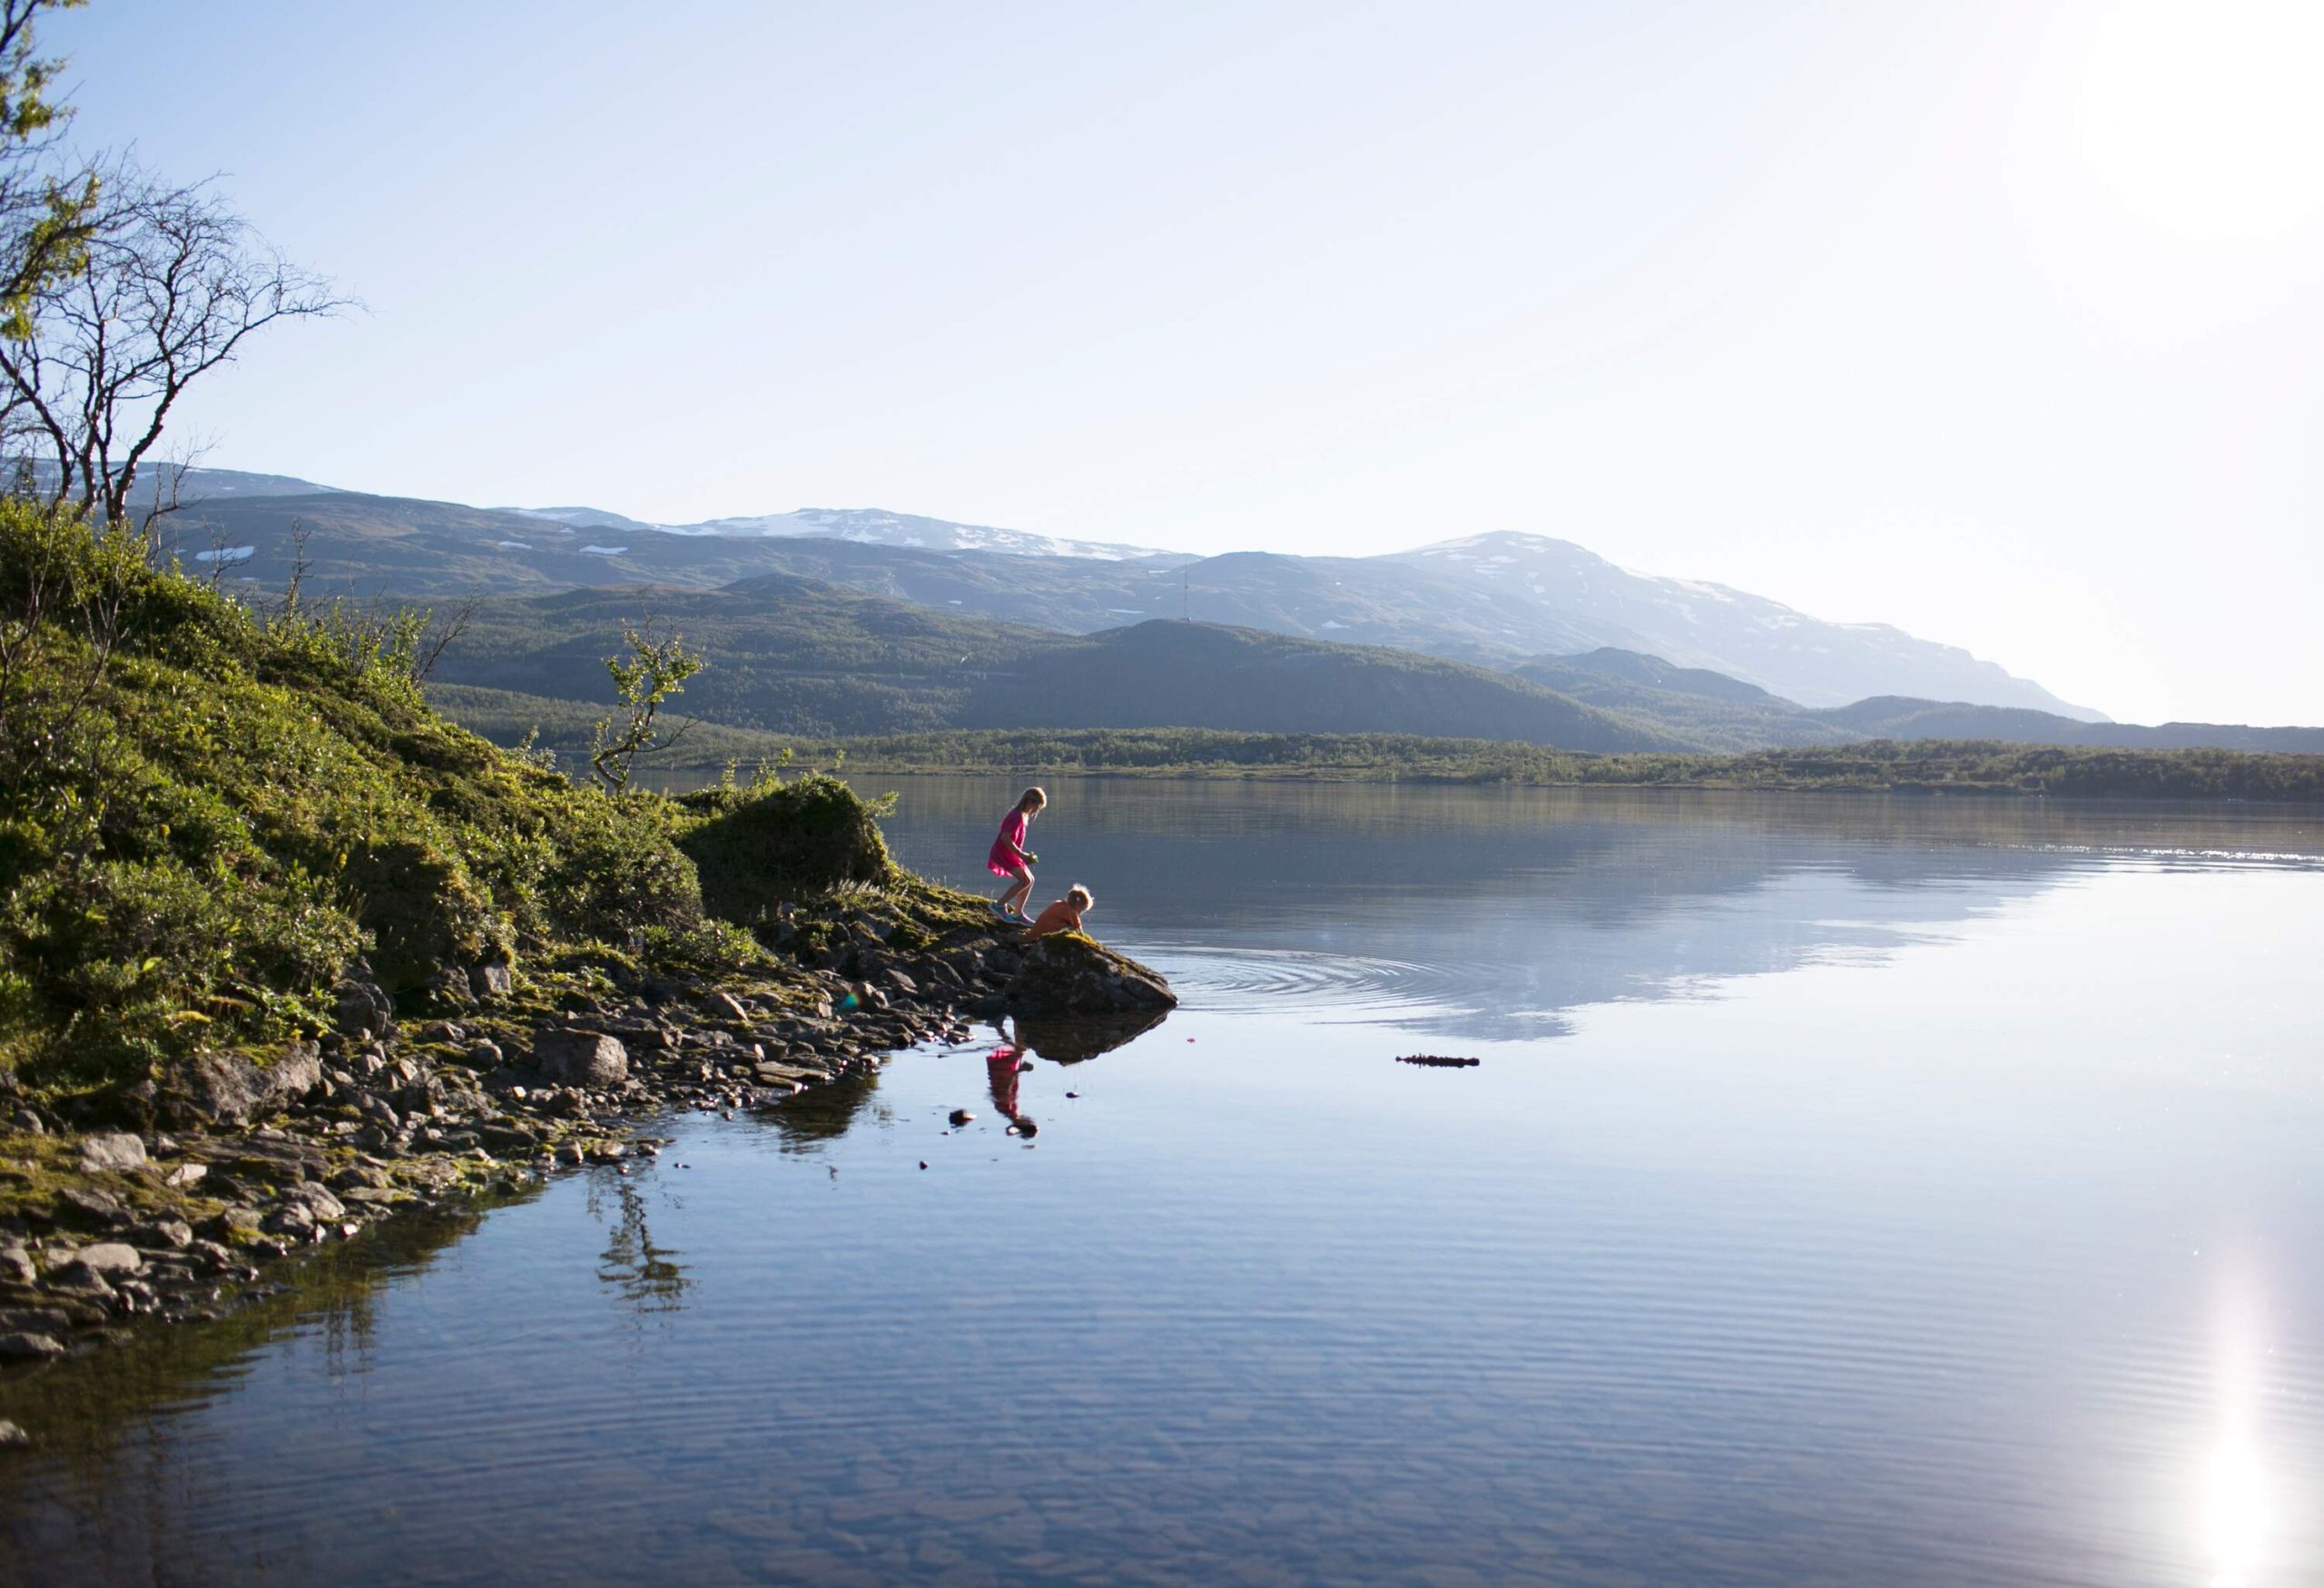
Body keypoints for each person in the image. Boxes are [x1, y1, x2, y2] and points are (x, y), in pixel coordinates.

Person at [987, 786, 1046, 922]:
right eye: (1037, 807)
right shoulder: (1015, 816)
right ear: (1031, 802)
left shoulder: (1022, 816)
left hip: (1011, 853)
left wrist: (1022, 855)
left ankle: (1018, 914)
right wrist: (1022, 855)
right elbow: (1005, 838)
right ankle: (999, 906)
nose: (1036, 811)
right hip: (1003, 853)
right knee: (1023, 880)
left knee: (1029, 880)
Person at [1025, 884, 1094, 940]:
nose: (1080, 913)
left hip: (1034, 934)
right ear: (1079, 905)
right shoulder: (1071, 912)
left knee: (1068, 927)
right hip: (1041, 938)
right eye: (1083, 909)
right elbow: (1080, 931)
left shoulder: (1058, 904)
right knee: (1070, 929)